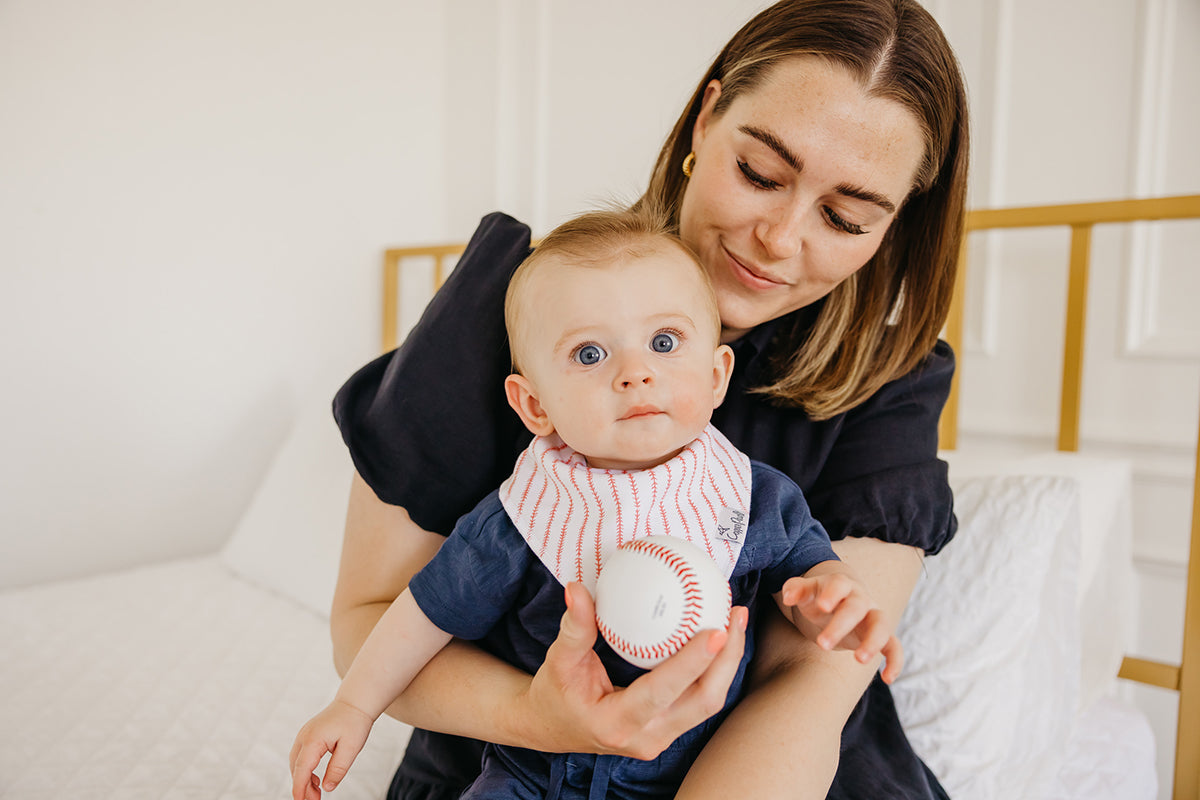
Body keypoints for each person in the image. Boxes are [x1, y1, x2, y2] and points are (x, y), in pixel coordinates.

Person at [330, 1, 968, 797]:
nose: (780, 237)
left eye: (844, 217)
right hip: (514, 769)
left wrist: (826, 603)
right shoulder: (511, 310)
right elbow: (366, 621)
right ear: (707, 120)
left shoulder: (886, 380)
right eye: (760, 174)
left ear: (895, 225)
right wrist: (543, 719)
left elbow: (808, 683)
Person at [291, 208, 903, 800]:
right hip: (535, 776)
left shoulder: (748, 494)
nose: (635, 373)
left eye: (664, 341)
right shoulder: (523, 517)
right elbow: (423, 614)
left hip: (696, 771)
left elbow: (806, 577)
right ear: (535, 406)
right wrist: (354, 706)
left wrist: (831, 596)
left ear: (717, 376)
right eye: (590, 354)